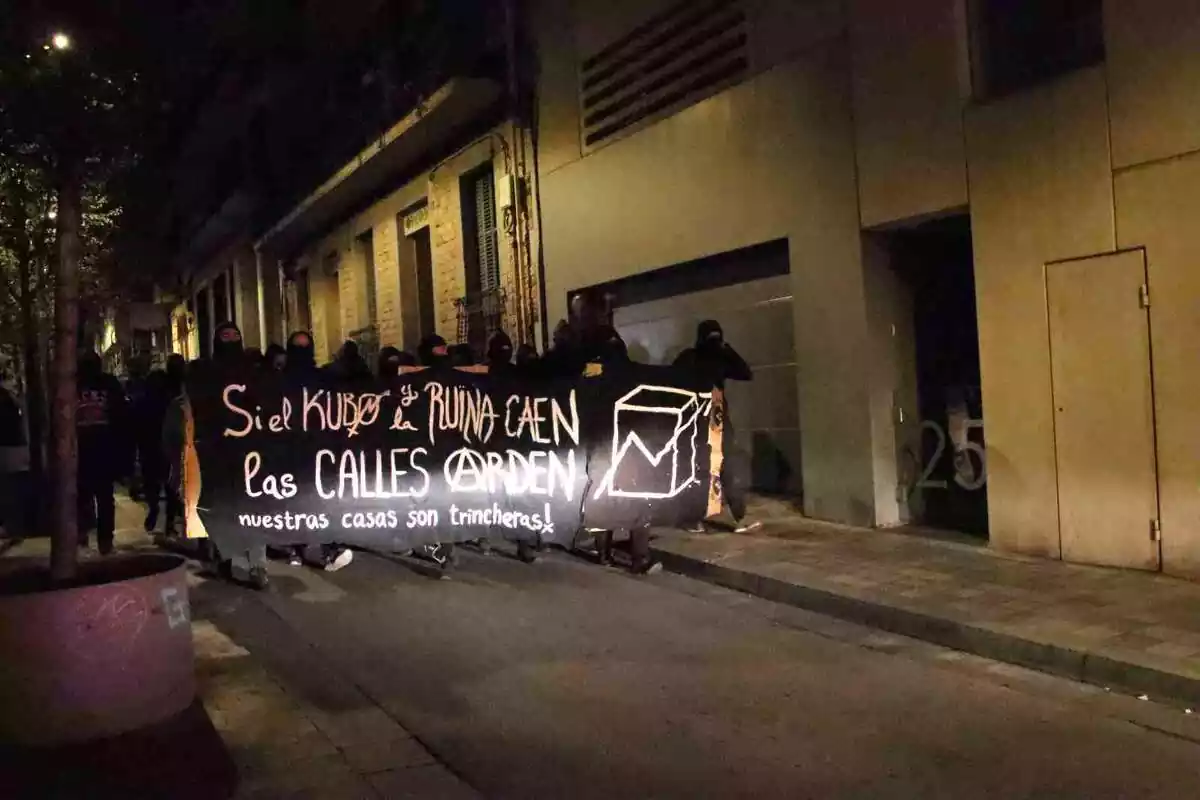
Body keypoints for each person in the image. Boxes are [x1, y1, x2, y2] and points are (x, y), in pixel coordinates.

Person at [673, 320, 757, 533]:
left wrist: (727, 351)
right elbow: (672, 381)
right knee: (700, 466)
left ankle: (739, 517)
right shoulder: (690, 357)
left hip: (716, 412)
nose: (714, 341)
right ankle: (692, 518)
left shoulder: (719, 356)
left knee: (727, 463)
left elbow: (745, 373)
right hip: (696, 413)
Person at [76, 350, 129, 555]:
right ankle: (103, 541)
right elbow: (122, 418)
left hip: (88, 449)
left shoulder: (74, 385)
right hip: (101, 449)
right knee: (102, 497)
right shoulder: (108, 384)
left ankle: (88, 538)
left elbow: (121, 417)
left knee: (87, 496)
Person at [135, 369, 178, 535]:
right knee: (170, 486)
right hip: (166, 448)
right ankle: (169, 521)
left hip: (149, 448)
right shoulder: (170, 402)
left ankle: (154, 509)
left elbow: (136, 427)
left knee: (152, 484)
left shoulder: (142, 402)